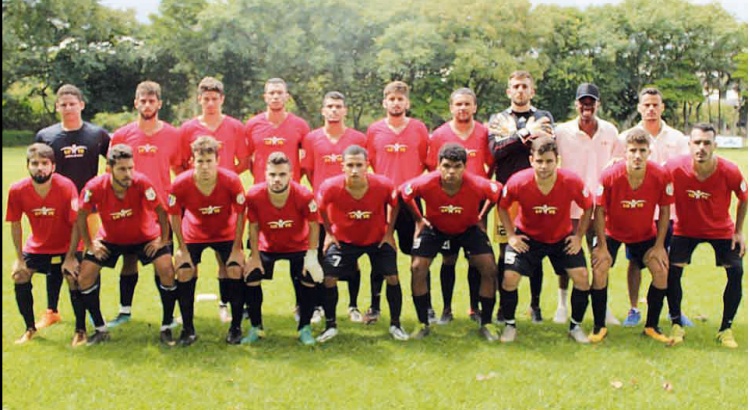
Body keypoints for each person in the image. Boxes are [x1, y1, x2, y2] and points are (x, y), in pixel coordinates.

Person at [75, 144, 177, 345]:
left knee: (166, 269)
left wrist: (163, 240)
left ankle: (166, 326)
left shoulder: (142, 183)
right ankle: (100, 329)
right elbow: (81, 215)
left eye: (131, 168)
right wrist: (89, 244)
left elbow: (162, 212)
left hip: (145, 237)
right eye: (122, 169)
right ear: (109, 168)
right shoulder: (94, 186)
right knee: (85, 276)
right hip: (110, 239)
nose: (128, 173)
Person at [496, 137, 593, 344]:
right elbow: (502, 206)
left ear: (556, 161)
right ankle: (510, 325)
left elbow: (588, 205)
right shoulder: (518, 181)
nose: (544, 166)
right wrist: (511, 235)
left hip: (561, 238)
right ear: (531, 160)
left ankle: (575, 326)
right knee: (510, 277)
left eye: (549, 161)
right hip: (528, 238)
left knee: (582, 277)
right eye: (539, 161)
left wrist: (578, 237)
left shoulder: (571, 181)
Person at [402, 143, 501, 340]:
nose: (451, 171)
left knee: (489, 268)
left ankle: (487, 323)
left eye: (457, 167)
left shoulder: (477, 184)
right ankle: (423, 322)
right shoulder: (426, 182)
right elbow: (405, 193)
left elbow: (497, 192)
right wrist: (419, 219)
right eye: (446, 166)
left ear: (465, 167)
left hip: (468, 228)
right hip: (435, 229)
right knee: (417, 268)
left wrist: (482, 216)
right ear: (439, 165)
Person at [107, 80, 183, 328]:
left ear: (159, 103)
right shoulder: (122, 135)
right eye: (143, 100)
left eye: (152, 100)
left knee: (164, 262)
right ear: (136, 102)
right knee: (129, 260)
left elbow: (180, 169)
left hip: (162, 210)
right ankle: (124, 311)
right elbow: (110, 172)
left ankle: (169, 315)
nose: (147, 104)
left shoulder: (173, 134)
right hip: (131, 210)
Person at [33, 84, 110, 329]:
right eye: (63, 104)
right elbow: (39, 167)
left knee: (86, 259)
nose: (68, 108)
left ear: (82, 105)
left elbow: (113, 164)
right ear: (57, 107)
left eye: (72, 104)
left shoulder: (98, 134)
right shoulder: (46, 135)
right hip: (58, 209)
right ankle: (51, 310)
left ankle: (89, 310)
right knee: (55, 257)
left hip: (89, 210)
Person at [316, 145, 409, 342]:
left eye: (359, 165)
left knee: (392, 277)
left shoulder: (383, 185)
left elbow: (395, 204)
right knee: (329, 279)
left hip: (377, 239)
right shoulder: (330, 187)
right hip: (344, 241)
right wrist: (329, 233)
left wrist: (389, 233)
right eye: (350, 165)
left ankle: (395, 325)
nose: (355, 170)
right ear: (343, 166)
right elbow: (321, 208)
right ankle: (330, 326)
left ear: (367, 165)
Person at [665, 123, 747, 348]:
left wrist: (739, 231)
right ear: (689, 145)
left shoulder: (729, 170)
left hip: (720, 230)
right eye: (697, 142)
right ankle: (676, 323)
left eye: (706, 143)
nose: (701, 147)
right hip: (685, 229)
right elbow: (652, 177)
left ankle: (726, 328)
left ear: (715, 146)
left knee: (736, 271)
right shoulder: (674, 167)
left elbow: (744, 196)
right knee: (672, 272)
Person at [590, 129, 674, 344]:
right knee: (600, 268)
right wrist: (601, 245)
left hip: (644, 234)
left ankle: (651, 326)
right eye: (633, 150)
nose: (637, 155)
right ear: (625, 152)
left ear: (649, 152)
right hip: (612, 232)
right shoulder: (609, 175)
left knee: (661, 270)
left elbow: (665, 211)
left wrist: (659, 246)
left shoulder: (661, 175)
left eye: (642, 151)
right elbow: (598, 210)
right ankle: (599, 326)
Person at [180, 76, 251, 324]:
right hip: (197, 198)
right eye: (206, 98)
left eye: (215, 98)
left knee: (227, 259)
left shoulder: (234, 126)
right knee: (189, 261)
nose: (210, 103)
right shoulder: (188, 128)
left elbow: (243, 161)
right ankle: (185, 314)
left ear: (222, 99)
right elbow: (180, 163)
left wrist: (225, 180)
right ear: (199, 100)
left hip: (225, 197)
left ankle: (226, 304)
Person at [487, 70, 555, 324]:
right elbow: (496, 151)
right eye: (515, 86)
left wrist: (514, 138)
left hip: (537, 193)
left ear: (532, 91)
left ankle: (535, 305)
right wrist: (525, 134)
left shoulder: (543, 116)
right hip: (507, 195)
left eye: (525, 86)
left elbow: (546, 145)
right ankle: (504, 310)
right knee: (507, 250)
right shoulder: (498, 118)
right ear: (508, 91)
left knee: (535, 248)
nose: (520, 90)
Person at [619, 87, 691, 327]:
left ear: (662, 108)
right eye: (646, 105)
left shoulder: (677, 138)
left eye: (655, 105)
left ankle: (674, 311)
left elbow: (684, 172)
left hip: (667, 211)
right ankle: (633, 308)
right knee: (635, 262)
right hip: (635, 212)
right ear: (639, 108)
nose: (651, 109)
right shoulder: (626, 136)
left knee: (665, 260)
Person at [555, 83, 624, 326]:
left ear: (598, 104)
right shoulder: (562, 131)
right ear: (576, 104)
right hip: (571, 206)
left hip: (601, 207)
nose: (587, 106)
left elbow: (618, 163)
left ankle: (601, 308)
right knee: (569, 255)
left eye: (591, 102)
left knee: (600, 257)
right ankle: (562, 305)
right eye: (583, 102)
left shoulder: (610, 131)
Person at [168, 136, 246, 346]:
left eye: (209, 161)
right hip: (194, 233)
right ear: (193, 161)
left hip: (225, 233)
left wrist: (237, 248)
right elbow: (174, 215)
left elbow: (241, 213)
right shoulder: (181, 183)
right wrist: (181, 249)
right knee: (184, 270)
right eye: (199, 161)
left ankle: (236, 327)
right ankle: (188, 329)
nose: (204, 166)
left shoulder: (231, 180)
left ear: (217, 160)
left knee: (235, 268)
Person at [7, 143, 86, 346]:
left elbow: (77, 223)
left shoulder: (66, 186)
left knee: (73, 276)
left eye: (44, 163)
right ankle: (30, 329)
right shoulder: (17, 190)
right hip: (38, 246)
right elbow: (15, 224)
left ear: (53, 166)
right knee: (19, 275)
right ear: (28, 166)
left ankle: (80, 330)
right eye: (34, 163)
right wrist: (19, 259)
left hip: (68, 245)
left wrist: (70, 257)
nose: (39, 168)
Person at [425, 88, 493, 325]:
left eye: (467, 104)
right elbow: (433, 169)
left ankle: (475, 308)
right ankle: (446, 309)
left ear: (475, 107)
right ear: (451, 107)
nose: (463, 108)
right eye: (458, 104)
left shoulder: (485, 133)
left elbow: (490, 167)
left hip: (474, 205)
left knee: (476, 258)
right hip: (447, 204)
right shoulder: (439, 135)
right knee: (448, 259)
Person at [245, 78, 311, 320]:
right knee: (253, 253)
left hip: (290, 198)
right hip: (260, 200)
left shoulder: (300, 125)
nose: (275, 97)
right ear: (265, 97)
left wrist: (290, 181)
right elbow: (247, 160)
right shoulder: (252, 125)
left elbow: (305, 161)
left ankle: (301, 307)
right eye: (271, 93)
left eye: (279, 93)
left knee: (299, 253)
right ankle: (248, 309)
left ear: (287, 96)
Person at [243, 152, 324, 346]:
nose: (277, 179)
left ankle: (304, 327)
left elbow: (314, 225)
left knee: (310, 276)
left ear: (291, 174)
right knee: (251, 275)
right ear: (265, 174)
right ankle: (256, 327)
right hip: (268, 246)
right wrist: (254, 256)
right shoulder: (254, 195)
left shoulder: (304, 195)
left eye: (282, 174)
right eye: (272, 175)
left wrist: (312, 256)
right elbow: (253, 226)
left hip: (298, 246)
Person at [366, 80, 430, 324]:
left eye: (400, 99)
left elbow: (427, 161)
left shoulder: (418, 128)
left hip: (411, 201)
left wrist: (410, 185)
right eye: (391, 99)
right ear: (385, 102)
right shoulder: (374, 130)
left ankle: (427, 307)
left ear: (407, 103)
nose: (396, 103)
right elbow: (370, 162)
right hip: (382, 202)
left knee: (420, 255)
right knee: (380, 252)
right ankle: (375, 306)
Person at [301, 91, 367, 323]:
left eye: (338, 106)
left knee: (353, 256)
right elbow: (308, 170)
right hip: (321, 208)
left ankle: (353, 305)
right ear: (323, 110)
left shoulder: (358, 138)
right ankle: (319, 306)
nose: (334, 110)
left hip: (349, 208)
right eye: (330, 106)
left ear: (345, 110)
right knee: (319, 256)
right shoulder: (311, 138)